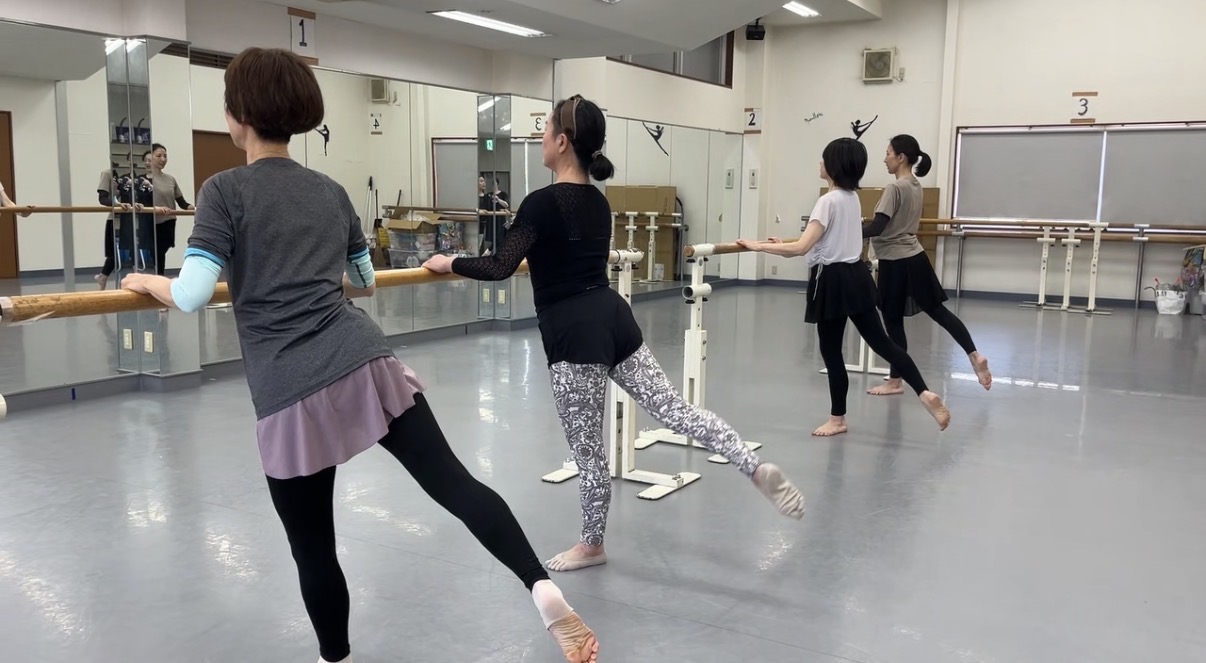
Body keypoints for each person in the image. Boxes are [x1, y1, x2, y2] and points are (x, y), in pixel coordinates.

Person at [121, 48, 598, 663]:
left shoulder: (224, 190)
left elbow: (188, 294)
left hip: (289, 388)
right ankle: (540, 586)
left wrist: (144, 281)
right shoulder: (329, 189)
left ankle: (335, 657)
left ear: (238, 115)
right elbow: (365, 282)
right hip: (365, 361)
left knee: (314, 548)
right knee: (455, 483)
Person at [422, 94, 805, 573]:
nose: (541, 137)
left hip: (573, 334)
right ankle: (749, 463)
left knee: (589, 452)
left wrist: (449, 261)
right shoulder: (599, 204)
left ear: (563, 142)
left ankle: (592, 545)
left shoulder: (540, 204)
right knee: (675, 410)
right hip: (613, 317)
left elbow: (501, 265)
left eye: (546, 130)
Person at [736, 138, 951, 438]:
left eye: (823, 159)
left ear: (834, 166)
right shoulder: (851, 199)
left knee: (832, 351)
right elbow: (822, 241)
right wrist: (780, 243)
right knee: (883, 343)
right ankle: (924, 392)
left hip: (832, 282)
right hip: (857, 277)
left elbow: (801, 248)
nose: (820, 163)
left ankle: (838, 419)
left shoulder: (827, 201)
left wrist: (757, 246)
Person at [862, 135, 991, 395]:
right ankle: (974, 354)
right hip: (916, 257)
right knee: (938, 311)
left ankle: (895, 381)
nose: (884, 159)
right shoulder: (916, 185)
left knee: (893, 321)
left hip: (895, 261)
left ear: (901, 157)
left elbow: (878, 227)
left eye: (888, 153)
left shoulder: (894, 188)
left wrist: (845, 230)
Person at [148, 142, 195, 276]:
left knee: (161, 252)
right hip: (151, 222)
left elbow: (182, 202)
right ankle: (156, 278)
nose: (163, 159)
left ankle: (158, 277)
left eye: (165, 156)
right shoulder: (143, 179)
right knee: (156, 253)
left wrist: (195, 208)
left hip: (168, 222)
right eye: (159, 156)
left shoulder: (170, 179)